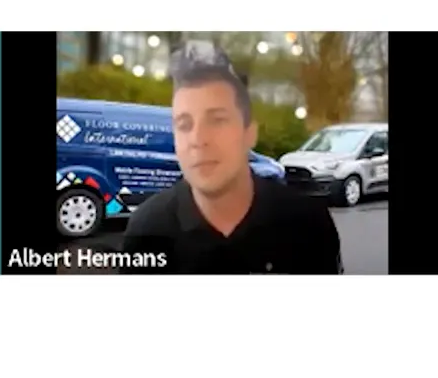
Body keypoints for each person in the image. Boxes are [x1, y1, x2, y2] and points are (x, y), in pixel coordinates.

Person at [119, 40, 344, 274]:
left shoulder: (307, 224)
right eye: (184, 125)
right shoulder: (147, 231)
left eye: (217, 120)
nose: (198, 139)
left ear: (250, 133)